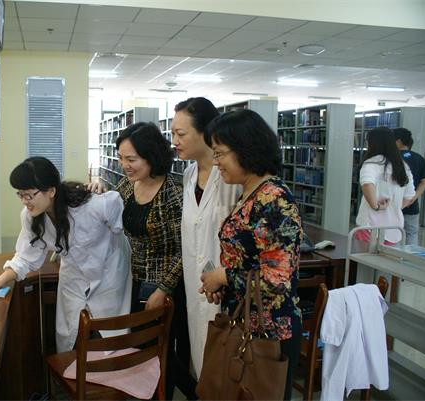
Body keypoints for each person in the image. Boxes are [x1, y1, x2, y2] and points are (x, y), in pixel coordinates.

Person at [0, 157, 131, 352]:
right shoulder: (31, 217)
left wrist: (104, 190)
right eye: (20, 194)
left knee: (111, 339)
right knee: (72, 337)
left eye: (30, 195)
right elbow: (25, 257)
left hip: (109, 274)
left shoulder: (91, 205)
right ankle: (73, 370)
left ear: (51, 191)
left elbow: (121, 220)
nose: (25, 201)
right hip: (74, 277)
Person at [199, 109, 303, 401]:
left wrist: (223, 276)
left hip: (269, 334)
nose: (216, 162)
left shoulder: (273, 200)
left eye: (220, 154)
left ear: (246, 148)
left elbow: (277, 281)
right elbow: (249, 261)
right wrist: (224, 285)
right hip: (244, 324)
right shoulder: (250, 193)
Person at [114, 122, 189, 399]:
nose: (125, 165)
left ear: (151, 156)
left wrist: (164, 288)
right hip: (135, 280)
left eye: (131, 159)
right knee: (140, 347)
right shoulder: (127, 185)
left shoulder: (173, 193)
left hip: (165, 286)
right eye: (121, 158)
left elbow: (184, 248)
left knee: (162, 352)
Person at [171, 97, 241, 379]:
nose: (174, 141)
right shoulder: (188, 174)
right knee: (203, 367)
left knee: (226, 371)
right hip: (196, 286)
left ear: (205, 133)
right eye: (172, 133)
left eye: (180, 134)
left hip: (226, 288)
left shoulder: (231, 176)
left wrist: (223, 275)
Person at [355, 127, 415, 244]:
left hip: (369, 226)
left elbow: (367, 184)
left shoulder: (372, 163)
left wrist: (376, 206)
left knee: (365, 255)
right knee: (387, 256)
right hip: (394, 229)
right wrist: (393, 207)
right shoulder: (403, 166)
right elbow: (410, 197)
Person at [393, 128, 425, 246]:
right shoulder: (419, 158)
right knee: (411, 234)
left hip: (393, 205)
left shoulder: (391, 158)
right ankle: (410, 257)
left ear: (398, 141)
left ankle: (394, 256)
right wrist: (413, 197)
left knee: (393, 234)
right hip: (412, 206)